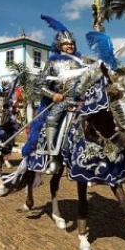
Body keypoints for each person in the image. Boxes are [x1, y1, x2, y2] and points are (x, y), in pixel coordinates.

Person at [22, 15, 85, 174]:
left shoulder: (82, 62)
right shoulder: (52, 63)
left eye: (71, 44)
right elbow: (40, 85)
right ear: (60, 45)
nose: (69, 46)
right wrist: (53, 95)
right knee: (52, 118)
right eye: (66, 44)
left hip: (81, 101)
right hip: (61, 100)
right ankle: (53, 155)